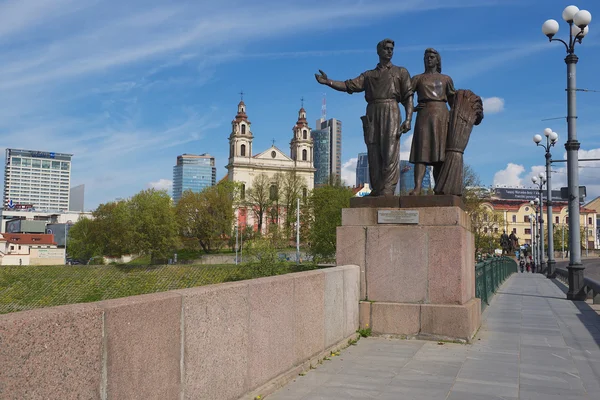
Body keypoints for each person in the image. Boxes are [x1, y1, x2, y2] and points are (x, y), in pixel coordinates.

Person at [315, 39, 414, 196]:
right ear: (379, 51)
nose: (389, 51)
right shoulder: (369, 75)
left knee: (390, 151)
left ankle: (387, 189)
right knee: (373, 151)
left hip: (391, 111)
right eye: (386, 48)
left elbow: (409, 97)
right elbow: (349, 85)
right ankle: (377, 188)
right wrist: (328, 82)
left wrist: (408, 119)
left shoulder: (401, 72)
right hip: (373, 112)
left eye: (391, 49)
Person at [409, 48, 455, 195]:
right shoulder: (417, 78)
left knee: (439, 155)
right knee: (421, 154)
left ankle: (439, 188)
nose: (429, 59)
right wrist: (413, 108)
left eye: (432, 57)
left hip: (442, 115)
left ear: (437, 60)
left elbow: (454, 101)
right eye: (426, 57)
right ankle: (417, 188)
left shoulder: (446, 79)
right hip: (424, 115)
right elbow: (405, 95)